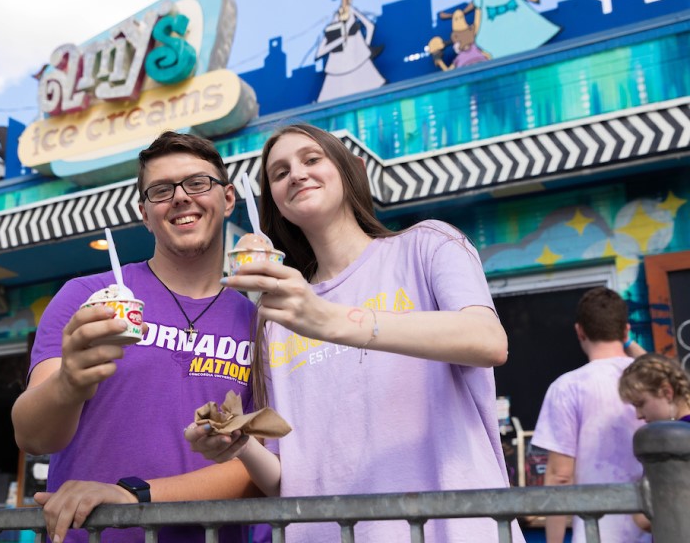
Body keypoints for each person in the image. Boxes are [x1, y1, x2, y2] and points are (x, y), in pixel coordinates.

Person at [185, 123, 524, 542]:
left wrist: (333, 320)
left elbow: (488, 340)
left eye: (312, 159)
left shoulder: (428, 245)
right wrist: (239, 443)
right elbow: (287, 481)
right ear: (275, 199)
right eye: (279, 172)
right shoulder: (276, 314)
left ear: (351, 170)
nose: (296, 174)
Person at [11, 131, 261, 543]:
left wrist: (134, 497)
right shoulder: (86, 297)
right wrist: (69, 383)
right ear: (144, 213)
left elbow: (262, 467)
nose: (181, 197)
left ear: (228, 198)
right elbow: (33, 436)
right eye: (161, 190)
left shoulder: (260, 322)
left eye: (198, 183)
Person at [532, 287, 651, 543]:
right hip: (657, 531)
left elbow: (560, 476)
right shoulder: (651, 381)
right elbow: (664, 368)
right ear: (626, 331)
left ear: (579, 331)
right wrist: (627, 341)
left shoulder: (566, 387)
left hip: (595, 535)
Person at [619, 352, 690, 532]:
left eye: (640, 403)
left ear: (667, 392)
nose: (639, 415)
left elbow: (645, 518)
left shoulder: (666, 441)